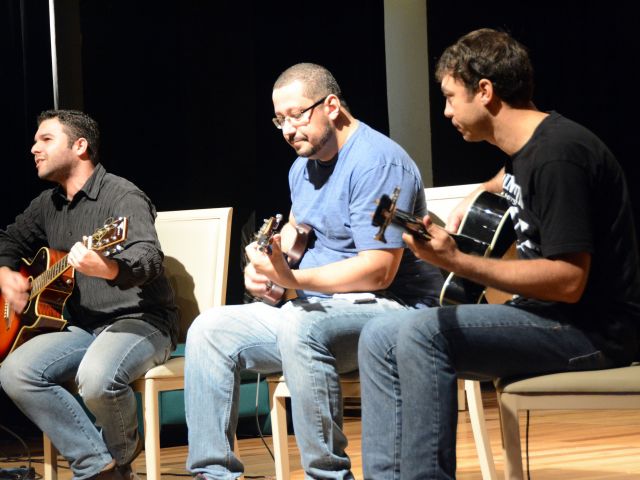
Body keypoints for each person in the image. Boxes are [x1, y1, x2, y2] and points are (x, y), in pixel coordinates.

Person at [359, 28, 640, 479]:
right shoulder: (525, 150)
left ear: (484, 92)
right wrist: (475, 198)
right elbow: (505, 184)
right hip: (546, 319)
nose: (447, 110)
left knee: (420, 333)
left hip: (590, 332)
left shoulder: (559, 158)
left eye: (451, 96)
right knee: (378, 336)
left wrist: (456, 261)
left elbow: (570, 282)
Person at [184, 62, 443, 479]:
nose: (287, 129)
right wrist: (269, 274)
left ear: (332, 106)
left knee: (300, 326)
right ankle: (213, 474)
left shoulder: (378, 163)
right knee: (210, 330)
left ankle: (327, 475)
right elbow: (298, 234)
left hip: (392, 311)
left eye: (296, 115)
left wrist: (294, 283)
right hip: (316, 307)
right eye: (279, 120)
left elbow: (379, 271)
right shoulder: (300, 168)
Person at [0, 110, 178, 480]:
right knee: (16, 372)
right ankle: (98, 467)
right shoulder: (47, 204)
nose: (34, 148)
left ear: (80, 146)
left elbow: (149, 256)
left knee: (96, 379)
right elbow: (8, 240)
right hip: (82, 326)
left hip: (141, 320)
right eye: (36, 141)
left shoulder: (123, 195)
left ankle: (116, 463)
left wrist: (110, 267)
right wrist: (5, 274)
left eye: (46, 139)